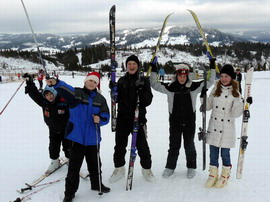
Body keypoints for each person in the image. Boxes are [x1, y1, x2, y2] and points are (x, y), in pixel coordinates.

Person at [46, 72, 110, 202]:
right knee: (74, 167)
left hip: (93, 139)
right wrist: (56, 83)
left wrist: (100, 119)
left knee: (95, 165)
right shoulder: (77, 94)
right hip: (77, 138)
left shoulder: (100, 99)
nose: (92, 83)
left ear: (97, 84)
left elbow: (106, 116)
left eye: (95, 82)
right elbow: (65, 89)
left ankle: (97, 184)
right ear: (85, 81)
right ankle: (69, 193)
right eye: (90, 80)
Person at [150, 58, 216, 179]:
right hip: (174, 121)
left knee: (189, 144)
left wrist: (212, 65)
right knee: (174, 145)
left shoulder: (194, 87)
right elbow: (154, 84)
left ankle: (191, 167)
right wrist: (154, 69)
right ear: (176, 75)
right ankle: (170, 167)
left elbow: (210, 81)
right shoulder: (170, 87)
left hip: (189, 121)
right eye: (180, 75)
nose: (182, 78)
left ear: (187, 76)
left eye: (184, 76)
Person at [203, 64, 252, 188]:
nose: (224, 79)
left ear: (232, 78)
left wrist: (245, 103)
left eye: (227, 76)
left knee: (225, 153)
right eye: (222, 76)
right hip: (214, 126)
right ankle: (213, 174)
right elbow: (207, 107)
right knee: (213, 152)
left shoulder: (235, 92)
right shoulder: (215, 89)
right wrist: (204, 96)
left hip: (227, 129)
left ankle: (225, 174)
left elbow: (235, 113)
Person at [109, 55, 155, 183]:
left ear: (138, 65)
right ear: (126, 66)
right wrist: (113, 90)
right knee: (119, 146)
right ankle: (119, 169)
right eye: (129, 64)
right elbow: (116, 100)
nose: (131, 66)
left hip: (138, 119)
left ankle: (147, 170)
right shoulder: (122, 81)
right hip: (123, 119)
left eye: (134, 64)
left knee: (142, 147)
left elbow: (148, 101)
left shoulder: (144, 80)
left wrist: (141, 89)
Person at [23, 73, 70, 174]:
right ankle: (54, 161)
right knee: (53, 147)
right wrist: (30, 83)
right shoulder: (44, 102)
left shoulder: (63, 102)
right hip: (53, 129)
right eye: (47, 94)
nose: (49, 97)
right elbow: (35, 94)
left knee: (68, 147)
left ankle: (70, 160)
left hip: (66, 129)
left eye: (51, 94)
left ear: (55, 93)